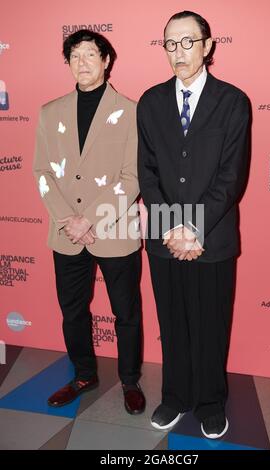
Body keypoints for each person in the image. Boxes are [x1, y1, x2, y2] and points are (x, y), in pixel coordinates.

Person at [137, 11, 250, 438]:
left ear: (207, 45)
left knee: (211, 323)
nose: (179, 51)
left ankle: (209, 401)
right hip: (165, 239)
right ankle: (176, 396)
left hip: (213, 239)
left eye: (188, 42)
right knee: (173, 322)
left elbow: (230, 176)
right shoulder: (151, 102)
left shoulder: (233, 101)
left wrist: (194, 229)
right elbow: (147, 172)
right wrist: (171, 230)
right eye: (170, 43)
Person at [33, 29, 145, 414]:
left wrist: (91, 219)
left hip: (115, 231)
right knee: (73, 310)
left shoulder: (132, 111)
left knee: (126, 312)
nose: (82, 62)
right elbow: (43, 172)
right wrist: (69, 220)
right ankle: (83, 374)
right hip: (66, 233)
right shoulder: (50, 112)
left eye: (90, 54)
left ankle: (130, 380)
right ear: (68, 62)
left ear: (106, 60)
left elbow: (132, 177)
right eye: (74, 56)